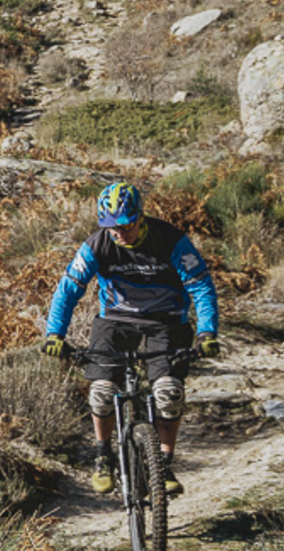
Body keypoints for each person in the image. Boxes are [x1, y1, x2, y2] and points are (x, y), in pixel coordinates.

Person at [41, 181, 220, 497]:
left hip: (166, 322)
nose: (119, 233)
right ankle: (103, 456)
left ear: (140, 217)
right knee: (101, 390)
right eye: (110, 228)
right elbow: (68, 289)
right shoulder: (97, 245)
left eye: (125, 225)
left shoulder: (172, 241)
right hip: (116, 321)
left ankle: (163, 463)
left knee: (168, 392)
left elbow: (201, 286)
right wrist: (54, 333)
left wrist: (207, 331)